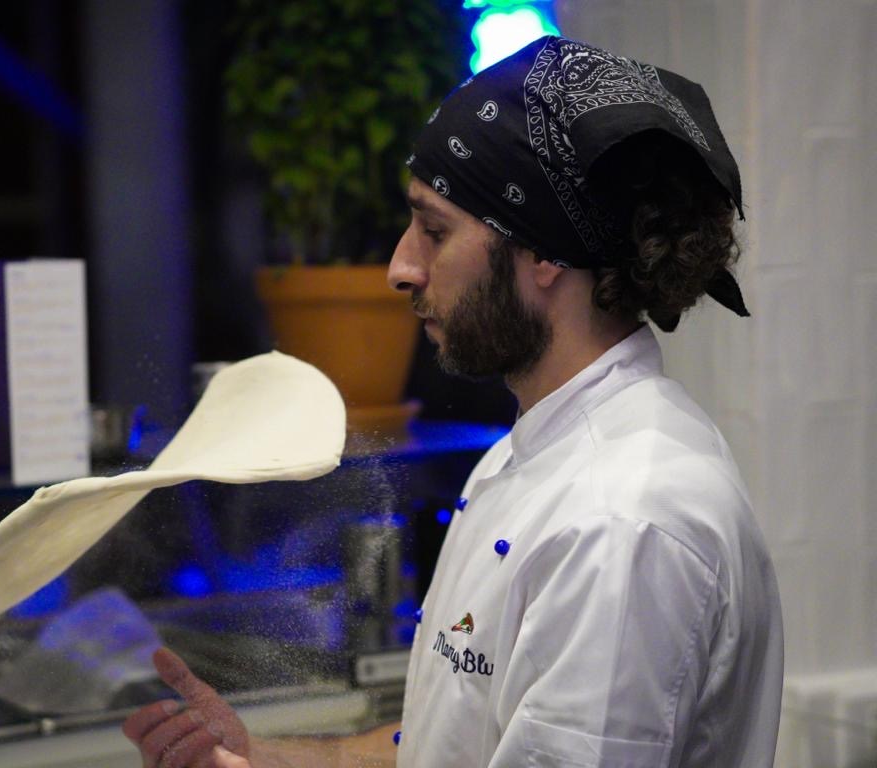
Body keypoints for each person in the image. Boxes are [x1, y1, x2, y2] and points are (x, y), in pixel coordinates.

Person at [123, 34, 784, 768]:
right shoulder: (519, 460)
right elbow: (449, 743)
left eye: (434, 231)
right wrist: (260, 757)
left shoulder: (622, 522)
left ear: (544, 253)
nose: (400, 268)